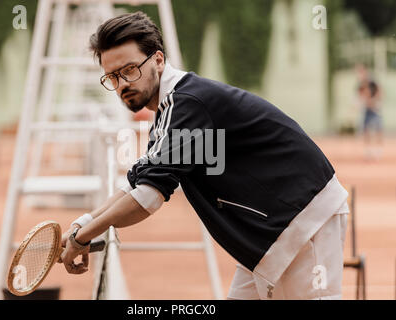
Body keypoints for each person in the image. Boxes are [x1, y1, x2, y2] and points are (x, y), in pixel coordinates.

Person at [59, 12, 350, 300]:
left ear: (158, 60)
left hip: (302, 221)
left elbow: (148, 197)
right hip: (269, 234)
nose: (122, 83)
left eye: (130, 70)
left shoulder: (187, 103)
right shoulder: (171, 109)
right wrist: (83, 224)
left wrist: (81, 238)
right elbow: (136, 183)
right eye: (112, 76)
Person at [355, 64, 383, 160]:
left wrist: (374, 101)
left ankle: (378, 150)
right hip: (368, 109)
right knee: (366, 129)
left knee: (378, 129)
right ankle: (368, 151)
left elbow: (379, 92)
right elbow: (360, 96)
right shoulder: (360, 85)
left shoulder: (372, 83)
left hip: (375, 109)